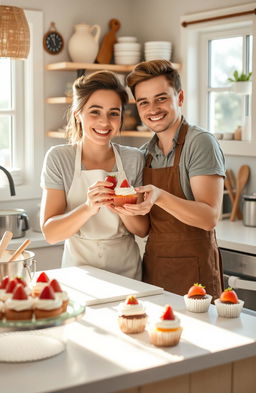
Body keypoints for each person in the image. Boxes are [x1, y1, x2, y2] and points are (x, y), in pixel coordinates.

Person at [122, 59, 225, 299]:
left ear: (179, 98)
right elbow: (144, 230)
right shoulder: (146, 153)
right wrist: (120, 207)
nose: (153, 109)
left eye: (161, 98)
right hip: (156, 271)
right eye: (143, 102)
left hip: (196, 275)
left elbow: (209, 218)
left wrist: (159, 196)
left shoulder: (200, 143)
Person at [40, 70, 149, 280]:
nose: (104, 122)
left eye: (113, 113)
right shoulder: (59, 158)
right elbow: (51, 233)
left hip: (127, 272)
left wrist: (121, 207)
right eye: (95, 112)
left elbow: (142, 230)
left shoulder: (134, 159)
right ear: (77, 114)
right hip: (79, 273)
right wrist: (88, 208)